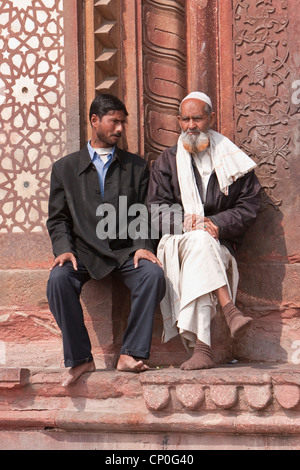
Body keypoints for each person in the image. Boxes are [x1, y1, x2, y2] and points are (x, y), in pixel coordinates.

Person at [47, 94, 165, 386]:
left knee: (152, 275)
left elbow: (144, 212)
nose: (120, 129)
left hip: (125, 251)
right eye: (114, 121)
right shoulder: (64, 168)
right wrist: (64, 249)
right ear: (94, 121)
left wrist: (142, 245)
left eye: (123, 122)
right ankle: (81, 359)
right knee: (58, 280)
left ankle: (129, 354)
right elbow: (58, 218)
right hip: (83, 252)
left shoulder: (137, 167)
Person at [147, 91, 261, 370]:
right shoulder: (167, 161)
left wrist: (217, 224)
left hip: (219, 245)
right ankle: (230, 310)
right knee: (197, 239)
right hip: (178, 243)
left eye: (197, 118)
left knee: (202, 243)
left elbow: (249, 205)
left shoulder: (233, 158)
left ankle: (203, 350)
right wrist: (187, 222)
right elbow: (154, 209)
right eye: (185, 119)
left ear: (211, 118)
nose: (191, 126)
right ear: (178, 121)